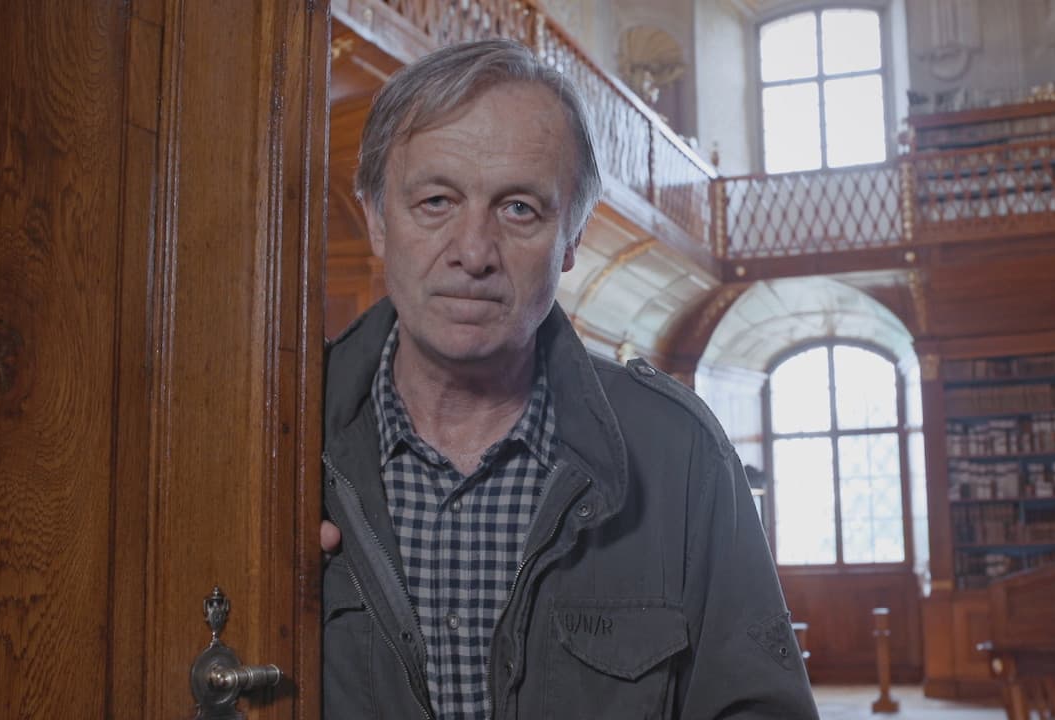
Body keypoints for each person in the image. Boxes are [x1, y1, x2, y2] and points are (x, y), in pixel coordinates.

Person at [320, 38, 820, 719]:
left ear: (573, 240)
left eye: (519, 209)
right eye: (436, 201)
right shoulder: (281, 443)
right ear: (378, 220)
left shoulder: (682, 457)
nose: (474, 252)